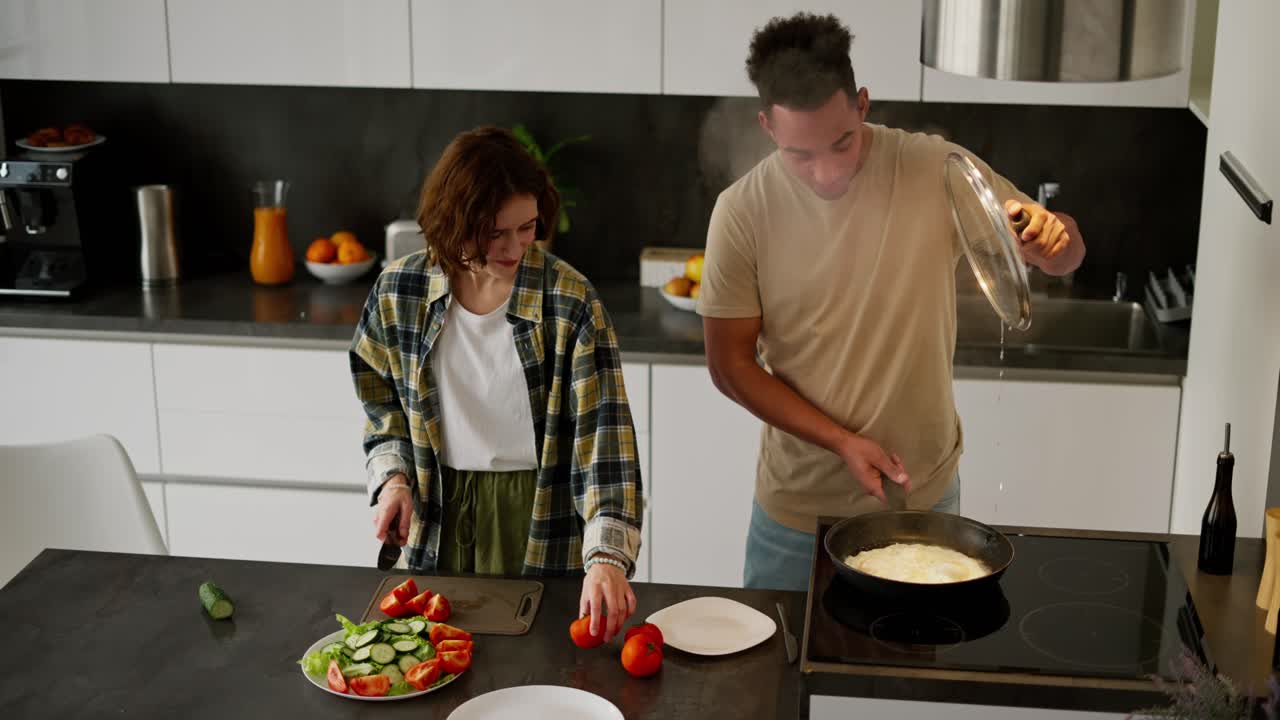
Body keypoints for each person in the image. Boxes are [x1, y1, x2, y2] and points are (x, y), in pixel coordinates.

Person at [698, 13, 1086, 591]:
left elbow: (1064, 253)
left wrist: (1051, 240)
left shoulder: (936, 170)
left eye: (842, 143)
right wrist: (842, 442)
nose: (827, 172)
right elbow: (730, 367)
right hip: (798, 516)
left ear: (862, 104)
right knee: (777, 677)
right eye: (802, 155)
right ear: (767, 126)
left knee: (916, 675)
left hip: (923, 503)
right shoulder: (742, 212)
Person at [350, 126, 643, 641]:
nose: (516, 248)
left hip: (538, 516)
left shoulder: (570, 303)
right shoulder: (400, 291)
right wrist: (393, 480)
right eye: (494, 233)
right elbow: (382, 407)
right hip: (438, 513)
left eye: (527, 227)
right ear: (455, 222)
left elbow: (605, 446)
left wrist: (606, 558)